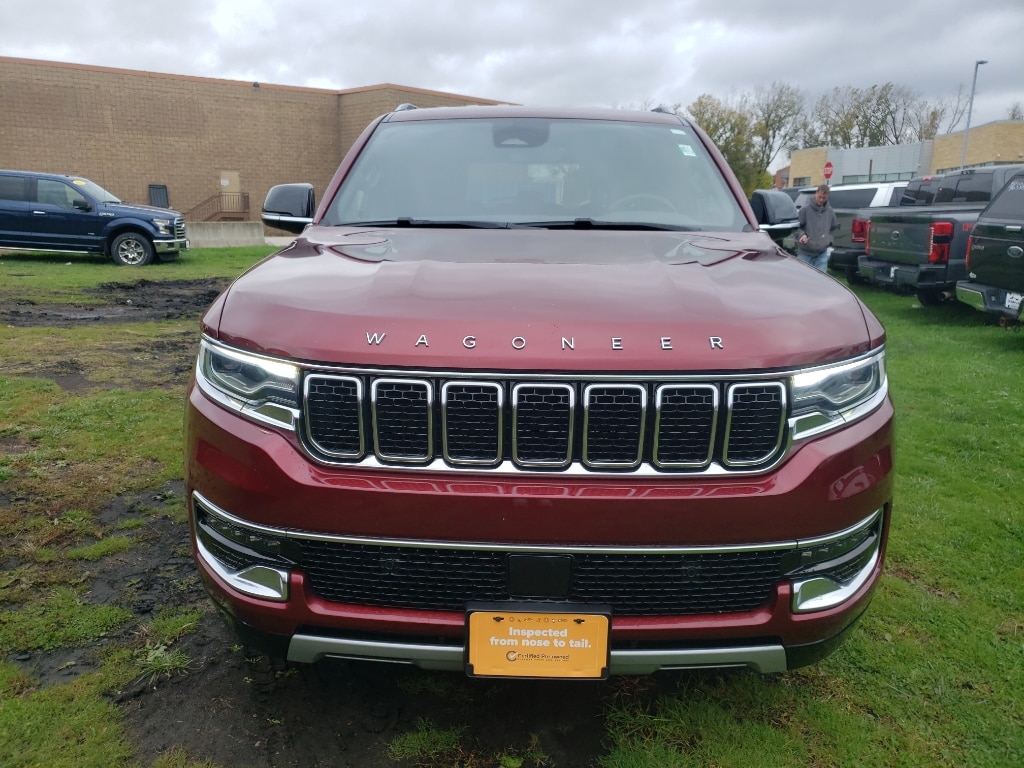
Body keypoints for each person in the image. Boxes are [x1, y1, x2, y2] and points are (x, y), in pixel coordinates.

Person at [796, 184, 839, 272]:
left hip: (822, 254)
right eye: (819, 197)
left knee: (820, 282)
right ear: (816, 193)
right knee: (802, 280)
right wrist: (801, 235)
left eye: (824, 197)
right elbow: (796, 227)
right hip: (805, 253)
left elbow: (833, 228)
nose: (821, 199)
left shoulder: (830, 211)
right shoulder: (805, 210)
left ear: (828, 196)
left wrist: (829, 240)